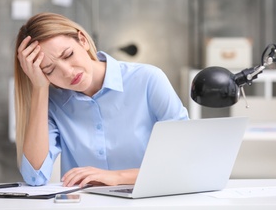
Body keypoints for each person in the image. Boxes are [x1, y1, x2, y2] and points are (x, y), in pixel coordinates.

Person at [14, 12, 189, 187]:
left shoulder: (148, 79)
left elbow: (185, 158)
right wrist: (39, 88)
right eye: (50, 70)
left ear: (82, 40)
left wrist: (117, 177)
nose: (67, 72)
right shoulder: (52, 102)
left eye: (68, 55)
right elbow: (34, 177)